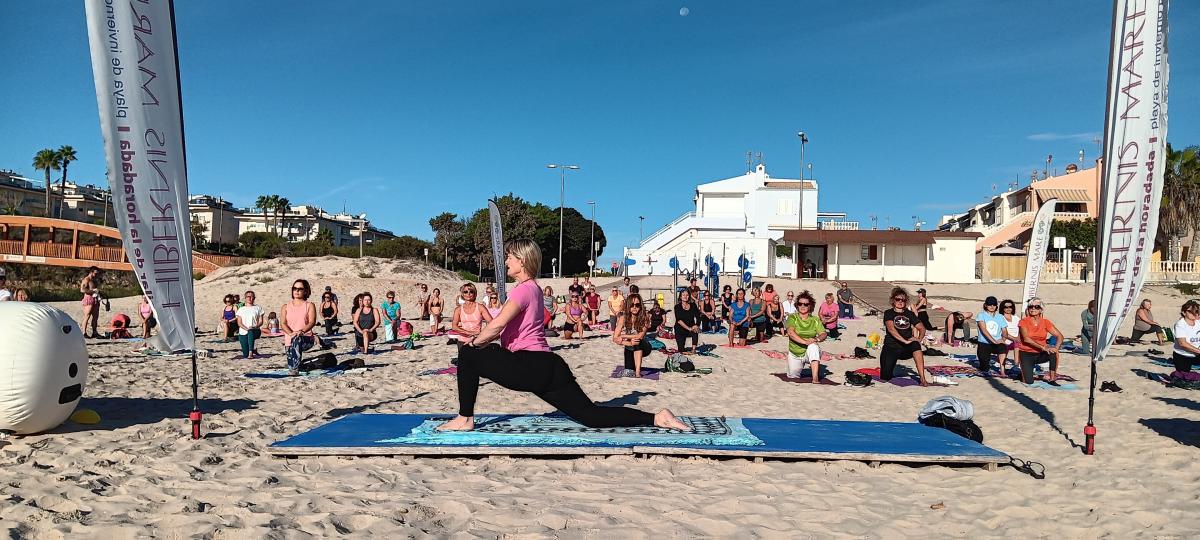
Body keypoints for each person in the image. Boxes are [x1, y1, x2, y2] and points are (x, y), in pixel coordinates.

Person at [438, 239, 689, 432]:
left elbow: (496, 326)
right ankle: (657, 418)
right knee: (591, 416)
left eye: (510, 257)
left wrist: (473, 343)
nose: (506, 261)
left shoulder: (522, 291)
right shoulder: (535, 289)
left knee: (468, 355)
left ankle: (465, 418)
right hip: (549, 365)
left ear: (522, 261)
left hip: (528, 365)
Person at [880, 287, 930, 386]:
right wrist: (904, 340)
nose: (900, 302)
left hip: (906, 348)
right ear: (893, 300)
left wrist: (919, 339)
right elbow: (891, 329)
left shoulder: (909, 314)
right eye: (898, 299)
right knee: (885, 377)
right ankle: (889, 369)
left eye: (903, 300)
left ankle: (922, 378)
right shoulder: (888, 313)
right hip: (891, 347)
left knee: (916, 345)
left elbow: (922, 328)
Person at [1016, 298, 1063, 384]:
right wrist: (1043, 347)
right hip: (1026, 354)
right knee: (1029, 382)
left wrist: (1056, 348)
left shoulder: (1045, 322)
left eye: (1036, 307)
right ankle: (1024, 374)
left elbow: (1060, 336)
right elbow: (1026, 339)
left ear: (1041, 310)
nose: (1033, 308)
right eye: (1031, 307)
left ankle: (1052, 378)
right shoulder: (1023, 322)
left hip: (1040, 353)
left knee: (1053, 353)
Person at [785, 291, 827, 382]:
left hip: (809, 351)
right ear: (797, 305)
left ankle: (815, 377)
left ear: (810, 306)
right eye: (800, 304)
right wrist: (805, 342)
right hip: (795, 353)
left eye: (806, 304)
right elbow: (790, 333)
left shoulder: (815, 320)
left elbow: (823, 334)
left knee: (813, 346)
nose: (803, 306)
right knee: (793, 376)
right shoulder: (792, 317)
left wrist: (816, 339)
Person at [281, 279, 319, 376]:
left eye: (300, 289)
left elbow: (312, 322)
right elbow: (283, 323)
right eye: (294, 288)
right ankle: (296, 367)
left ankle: (294, 369)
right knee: (292, 360)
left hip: (305, 338)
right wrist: (291, 333)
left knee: (297, 340)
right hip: (290, 339)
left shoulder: (309, 305)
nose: (297, 291)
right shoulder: (285, 306)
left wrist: (301, 331)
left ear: (305, 291)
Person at [615, 294, 653, 376]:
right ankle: (633, 368)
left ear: (641, 306)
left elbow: (640, 336)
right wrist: (625, 342)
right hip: (629, 344)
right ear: (628, 306)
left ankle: (638, 372)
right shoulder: (623, 318)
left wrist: (623, 336)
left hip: (644, 346)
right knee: (629, 370)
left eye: (637, 305)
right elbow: (615, 338)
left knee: (637, 341)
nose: (634, 307)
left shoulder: (645, 317)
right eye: (632, 305)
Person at [451, 283, 494, 350]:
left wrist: (483, 333)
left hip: (477, 340)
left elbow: (492, 322)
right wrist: (468, 333)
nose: (468, 294)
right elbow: (454, 326)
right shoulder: (458, 309)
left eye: (471, 292)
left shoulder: (480, 307)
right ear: (462, 294)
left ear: (475, 294)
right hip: (462, 341)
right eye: (465, 292)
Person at [974, 296, 1007, 373]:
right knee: (984, 368)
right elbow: (984, 330)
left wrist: (1003, 339)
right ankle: (983, 365)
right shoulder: (981, 315)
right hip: (984, 343)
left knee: (1003, 348)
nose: (992, 306)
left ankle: (1002, 370)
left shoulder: (1000, 316)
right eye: (989, 304)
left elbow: (1004, 330)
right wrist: (994, 341)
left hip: (997, 342)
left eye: (994, 304)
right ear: (986, 305)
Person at [1171, 300, 1200, 373]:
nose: (1194, 313)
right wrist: (1198, 351)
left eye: (1196, 311)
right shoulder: (1180, 324)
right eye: (1190, 311)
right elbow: (1182, 343)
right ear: (1184, 312)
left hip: (1196, 354)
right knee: (1183, 376)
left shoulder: (1198, 323)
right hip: (1182, 355)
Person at [236, 290, 265, 359]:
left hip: (255, 330)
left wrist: (255, 327)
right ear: (245, 298)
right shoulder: (241, 309)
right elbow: (239, 323)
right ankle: (252, 350)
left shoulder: (258, 308)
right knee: (245, 355)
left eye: (251, 296)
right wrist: (246, 328)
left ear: (254, 298)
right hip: (243, 331)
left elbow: (261, 322)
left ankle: (251, 352)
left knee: (250, 331)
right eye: (248, 296)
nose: (249, 298)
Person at [80, 266, 102, 338]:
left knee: (95, 316)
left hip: (96, 299)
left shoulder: (94, 280)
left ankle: (94, 332)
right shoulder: (86, 279)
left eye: (97, 273)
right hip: (89, 299)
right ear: (91, 272)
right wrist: (92, 291)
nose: (97, 275)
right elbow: (82, 290)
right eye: (95, 273)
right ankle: (84, 333)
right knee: (87, 315)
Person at [999, 299, 1021, 369]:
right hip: (1005, 340)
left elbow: (1020, 329)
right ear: (1002, 308)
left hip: (1016, 341)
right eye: (1006, 307)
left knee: (1017, 343)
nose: (1008, 309)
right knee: (1001, 359)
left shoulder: (1016, 318)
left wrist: (1018, 338)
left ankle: (1016, 363)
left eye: (1010, 307)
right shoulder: (1000, 318)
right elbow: (1001, 332)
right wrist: (1014, 338)